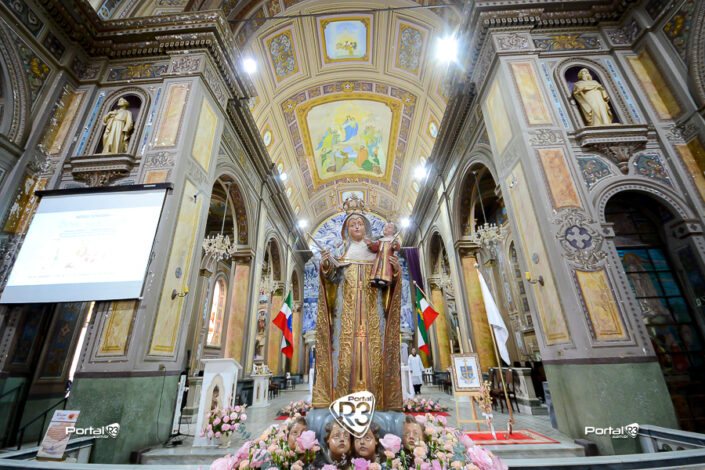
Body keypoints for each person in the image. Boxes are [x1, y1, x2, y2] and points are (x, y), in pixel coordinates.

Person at [313, 198, 403, 411]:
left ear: (366, 227)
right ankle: (342, 400)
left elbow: (389, 280)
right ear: (346, 229)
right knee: (344, 357)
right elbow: (330, 279)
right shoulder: (341, 251)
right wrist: (326, 266)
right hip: (345, 313)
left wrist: (396, 270)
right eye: (352, 224)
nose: (356, 227)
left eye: (360, 223)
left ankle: (378, 402)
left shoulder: (377, 252)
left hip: (373, 312)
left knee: (375, 355)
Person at [366, 222, 401, 288]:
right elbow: (375, 248)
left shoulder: (393, 240)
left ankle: (385, 279)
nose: (386, 228)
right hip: (379, 258)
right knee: (377, 267)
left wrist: (395, 243)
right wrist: (370, 244)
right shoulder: (380, 240)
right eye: (385, 226)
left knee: (386, 268)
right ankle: (375, 278)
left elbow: (397, 247)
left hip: (387, 259)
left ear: (394, 231)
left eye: (389, 227)